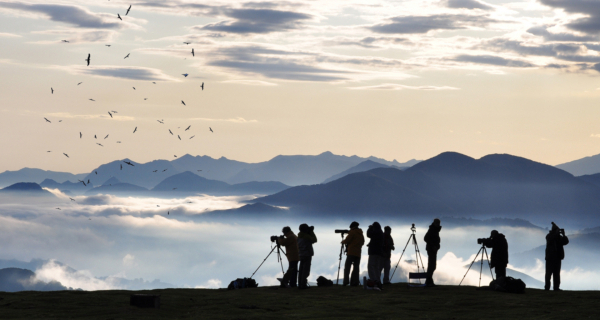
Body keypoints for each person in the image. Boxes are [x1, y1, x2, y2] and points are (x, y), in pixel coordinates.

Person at [545, 223, 569, 291]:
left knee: (556, 274)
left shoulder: (559, 238)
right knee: (548, 274)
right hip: (550, 258)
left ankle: (556, 287)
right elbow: (550, 239)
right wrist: (556, 234)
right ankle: (547, 287)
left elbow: (566, 242)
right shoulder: (549, 236)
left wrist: (564, 235)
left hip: (557, 258)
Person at [341, 221, 365, 286]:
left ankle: (346, 282)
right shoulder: (360, 233)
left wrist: (343, 241)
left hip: (351, 252)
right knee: (356, 268)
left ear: (352, 227)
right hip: (358, 253)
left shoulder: (352, 232)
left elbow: (347, 240)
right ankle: (355, 282)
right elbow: (362, 242)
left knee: (347, 267)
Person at [297, 224, 317, 289]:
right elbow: (314, 240)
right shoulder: (306, 236)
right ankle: (303, 285)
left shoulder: (299, 236)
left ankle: (300, 284)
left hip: (301, 254)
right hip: (307, 254)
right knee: (305, 271)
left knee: (301, 270)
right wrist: (311, 232)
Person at [424, 218, 441, 287]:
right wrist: (433, 246)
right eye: (437, 223)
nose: (438, 224)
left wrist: (436, 247)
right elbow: (426, 238)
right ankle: (428, 281)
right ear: (434, 223)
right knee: (431, 266)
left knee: (432, 266)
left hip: (433, 250)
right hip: (431, 250)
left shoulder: (435, 230)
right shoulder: (432, 230)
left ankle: (429, 280)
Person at [366, 222, 384, 287]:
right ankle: (378, 280)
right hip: (379, 252)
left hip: (373, 252)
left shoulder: (376, 232)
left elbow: (368, 234)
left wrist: (369, 228)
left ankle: (373, 280)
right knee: (377, 267)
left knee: (371, 266)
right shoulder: (381, 232)